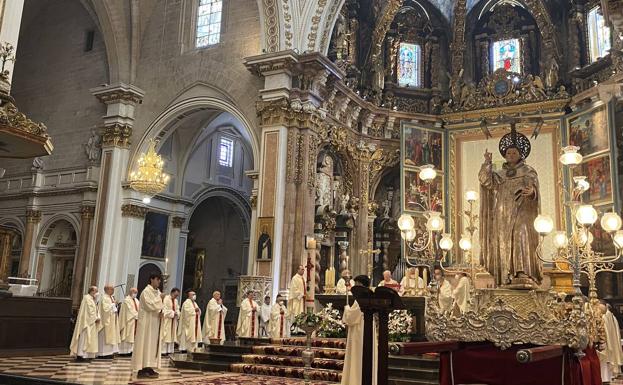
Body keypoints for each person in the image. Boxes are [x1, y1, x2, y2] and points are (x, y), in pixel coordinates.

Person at [479, 140, 542, 286]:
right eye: (508, 153)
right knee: (503, 241)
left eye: (514, 152)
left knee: (521, 235)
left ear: (520, 154)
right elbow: (485, 181)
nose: (511, 155)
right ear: (505, 155)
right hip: (502, 213)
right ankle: (505, 274)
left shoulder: (528, 171)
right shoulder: (499, 174)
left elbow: (534, 187)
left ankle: (522, 271)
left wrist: (532, 192)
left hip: (522, 210)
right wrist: (487, 163)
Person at [341, 275, 377, 385]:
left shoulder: (361, 299)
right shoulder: (370, 296)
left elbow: (351, 318)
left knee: (358, 357)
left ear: (361, 285)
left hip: (359, 331)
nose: (355, 287)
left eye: (357, 285)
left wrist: (346, 309)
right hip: (365, 327)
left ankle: (356, 381)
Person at [131, 273, 165, 379]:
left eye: (160, 280)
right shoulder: (146, 292)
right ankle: (142, 368)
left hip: (155, 323)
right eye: (157, 279)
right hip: (146, 323)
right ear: (151, 279)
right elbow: (149, 305)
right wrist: (160, 299)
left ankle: (149, 366)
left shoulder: (157, 292)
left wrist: (161, 311)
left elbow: (159, 306)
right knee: (145, 344)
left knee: (152, 345)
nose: (159, 281)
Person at [70, 286, 100, 361]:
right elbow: (89, 311)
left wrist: (98, 316)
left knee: (90, 339)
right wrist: (95, 318)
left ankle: (87, 355)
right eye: (96, 291)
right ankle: (81, 355)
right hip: (86, 322)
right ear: (92, 291)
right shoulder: (87, 298)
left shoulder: (92, 299)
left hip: (91, 322)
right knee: (84, 339)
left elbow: (95, 309)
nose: (97, 293)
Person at [599, 302, 623, 382]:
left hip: (605, 342)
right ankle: (607, 377)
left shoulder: (604, 316)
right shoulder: (611, 316)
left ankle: (605, 378)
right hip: (608, 342)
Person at [97, 284, 120, 358]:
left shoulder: (111, 298)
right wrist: (113, 304)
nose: (113, 291)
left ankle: (109, 353)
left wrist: (115, 305)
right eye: (112, 289)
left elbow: (113, 308)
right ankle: (102, 354)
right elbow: (105, 309)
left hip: (112, 321)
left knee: (111, 337)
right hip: (106, 321)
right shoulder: (104, 298)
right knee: (105, 338)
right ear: (107, 290)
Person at [119, 287, 140, 355]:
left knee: (133, 336)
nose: (135, 294)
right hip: (128, 321)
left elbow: (139, 309)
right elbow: (130, 311)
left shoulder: (136, 300)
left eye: (136, 293)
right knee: (128, 335)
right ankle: (124, 351)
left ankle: (131, 350)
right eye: (134, 292)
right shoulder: (127, 300)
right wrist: (137, 315)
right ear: (130, 292)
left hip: (135, 320)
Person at [161, 288, 180, 355]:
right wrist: (172, 313)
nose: (176, 297)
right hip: (167, 320)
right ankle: (163, 351)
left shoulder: (176, 301)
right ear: (172, 293)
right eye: (175, 295)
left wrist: (177, 313)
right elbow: (164, 310)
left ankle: (170, 350)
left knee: (172, 335)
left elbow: (177, 309)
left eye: (177, 295)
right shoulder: (166, 299)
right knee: (166, 335)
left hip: (173, 321)